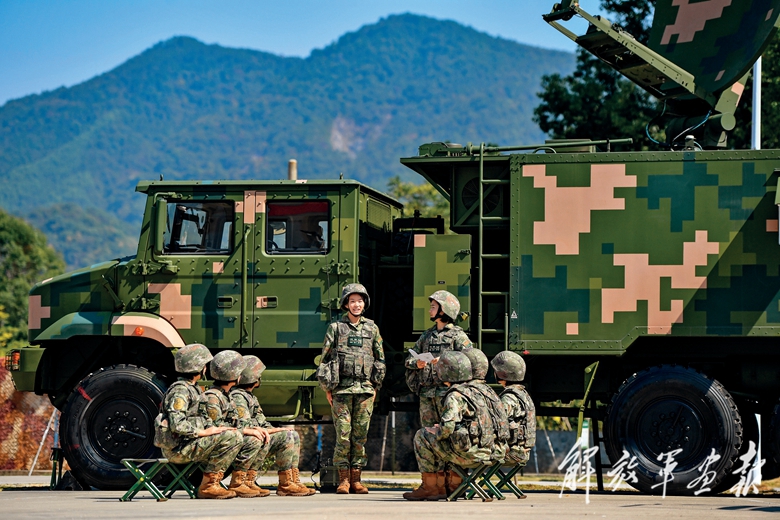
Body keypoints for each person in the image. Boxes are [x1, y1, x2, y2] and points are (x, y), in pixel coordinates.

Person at [317, 283, 385, 494]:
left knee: (360, 436)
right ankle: (344, 480)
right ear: (346, 304)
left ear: (365, 304)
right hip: (342, 391)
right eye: (353, 301)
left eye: (360, 301)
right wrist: (327, 389)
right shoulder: (336, 328)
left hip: (365, 390)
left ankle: (356, 479)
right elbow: (325, 360)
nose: (357, 305)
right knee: (343, 436)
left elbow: (380, 359)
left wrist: (375, 386)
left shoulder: (372, 328)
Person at [403, 350, 496, 501]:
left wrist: (437, 430)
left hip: (468, 455)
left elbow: (446, 429)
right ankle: (455, 486)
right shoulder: (476, 391)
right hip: (487, 452)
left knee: (422, 436)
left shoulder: (455, 395)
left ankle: (430, 488)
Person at [153, 343, 242, 499]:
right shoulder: (181, 390)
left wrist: (217, 429)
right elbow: (177, 424)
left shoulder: (192, 389)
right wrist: (204, 432)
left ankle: (212, 483)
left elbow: (201, 418)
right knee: (233, 438)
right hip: (178, 449)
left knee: (231, 434)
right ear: (200, 367)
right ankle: (209, 486)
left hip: (188, 443)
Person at [230, 355, 315, 496]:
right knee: (264, 437)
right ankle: (246, 481)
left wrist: (276, 430)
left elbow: (262, 422)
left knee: (291, 435)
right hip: (246, 440)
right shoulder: (238, 397)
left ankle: (289, 481)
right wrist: (268, 431)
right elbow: (246, 426)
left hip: (256, 436)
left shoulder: (250, 397)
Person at [405, 290, 472, 431]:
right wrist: (417, 363)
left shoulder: (458, 336)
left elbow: (470, 359)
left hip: (448, 394)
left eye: (433, 307)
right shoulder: (427, 336)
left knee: (449, 431)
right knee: (428, 433)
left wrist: (445, 360)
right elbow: (410, 358)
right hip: (427, 395)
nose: (430, 311)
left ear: (444, 310)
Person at [202, 350, 265, 498]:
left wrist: (252, 429)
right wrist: (245, 431)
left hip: (219, 440)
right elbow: (217, 428)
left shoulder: (226, 396)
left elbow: (234, 423)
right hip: (212, 442)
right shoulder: (213, 397)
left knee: (254, 437)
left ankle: (240, 482)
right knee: (245, 438)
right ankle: (209, 485)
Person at [491, 351, 536, 466]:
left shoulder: (509, 398)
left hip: (509, 454)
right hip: (521, 453)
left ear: (502, 374)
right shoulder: (523, 394)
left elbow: (496, 424)